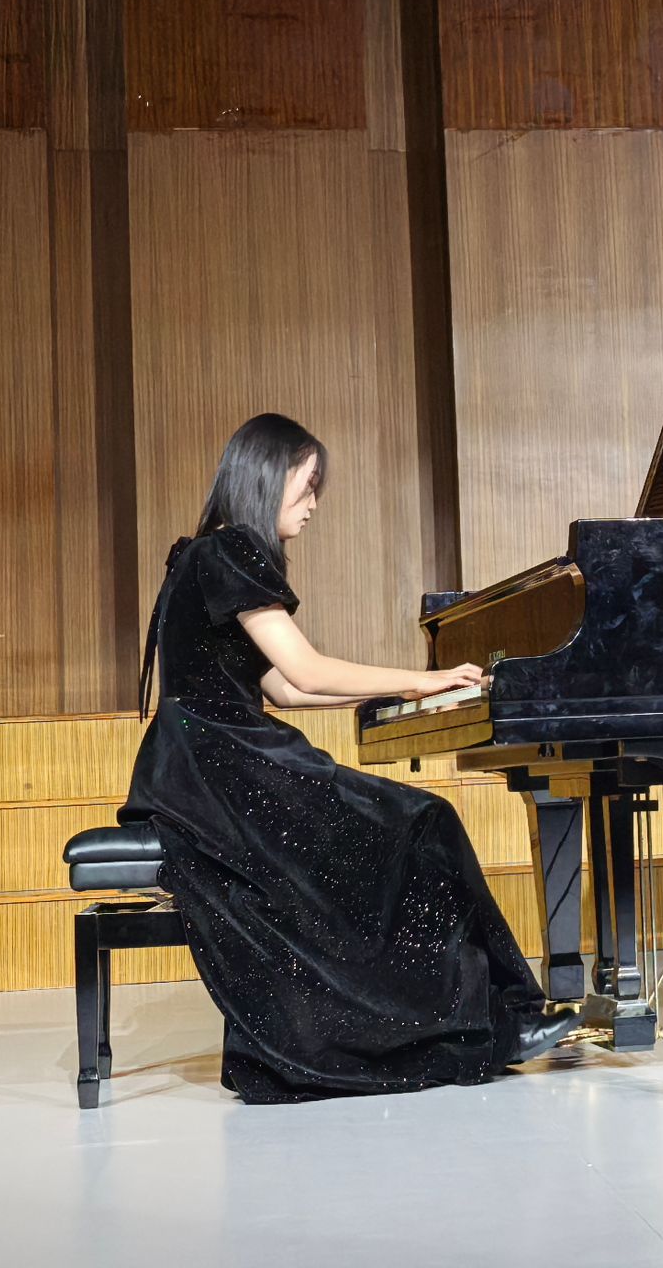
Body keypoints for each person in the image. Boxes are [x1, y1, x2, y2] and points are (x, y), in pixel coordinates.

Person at [120, 412, 583, 1102]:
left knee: (408, 828)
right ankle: (491, 1023)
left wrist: (401, 696)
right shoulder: (230, 550)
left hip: (204, 763)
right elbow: (304, 672)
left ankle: (470, 1020)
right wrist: (421, 680)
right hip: (223, 767)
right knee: (424, 824)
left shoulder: (204, 554)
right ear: (267, 476)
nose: (312, 505)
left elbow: (282, 688)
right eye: (307, 486)